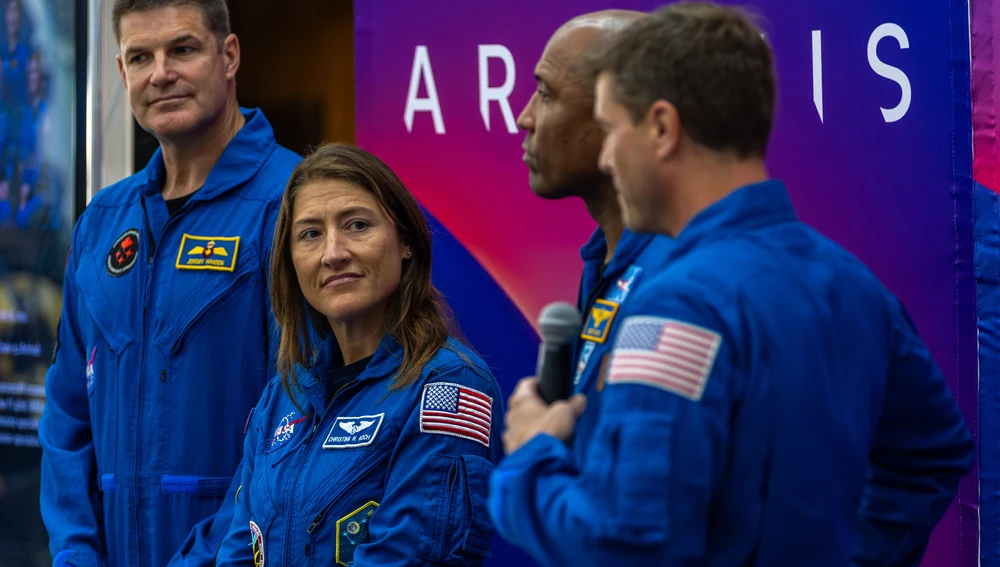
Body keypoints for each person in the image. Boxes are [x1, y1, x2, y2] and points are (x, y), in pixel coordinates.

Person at [489, 3, 976, 566]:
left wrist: (531, 458)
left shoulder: (676, 304)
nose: (609, 155)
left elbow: (629, 542)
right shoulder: (852, 282)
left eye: (614, 129)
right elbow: (930, 454)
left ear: (662, 129)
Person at [37, 0, 301, 565]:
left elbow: (297, 422)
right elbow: (66, 416)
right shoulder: (102, 222)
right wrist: (75, 554)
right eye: (140, 57)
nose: (161, 73)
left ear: (229, 55)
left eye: (182, 49)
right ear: (121, 71)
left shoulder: (293, 204)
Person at [214, 143, 503, 566]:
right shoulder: (282, 397)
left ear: (406, 242)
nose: (333, 253)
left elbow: (410, 558)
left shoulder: (447, 386)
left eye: (357, 225)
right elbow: (238, 550)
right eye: (311, 234)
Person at [517, 9, 673, 458]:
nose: (525, 118)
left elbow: (641, 488)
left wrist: (534, 454)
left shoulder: (673, 278)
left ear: (614, 115)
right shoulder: (606, 256)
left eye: (546, 93)